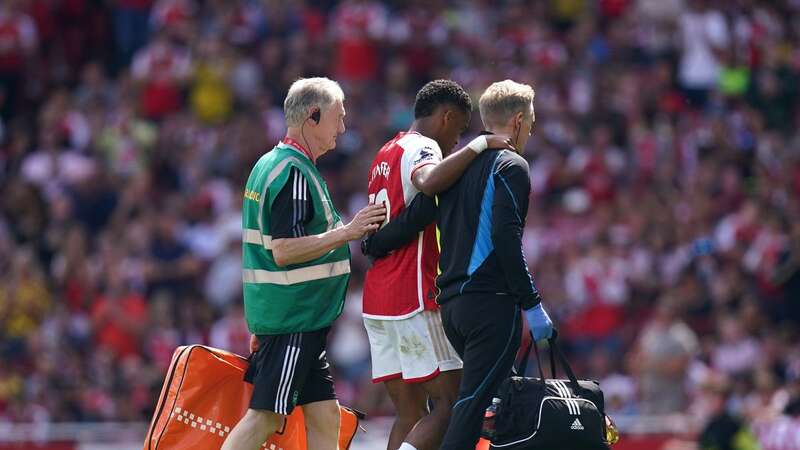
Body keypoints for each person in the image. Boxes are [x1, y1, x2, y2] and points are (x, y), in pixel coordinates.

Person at [221, 77, 386, 450]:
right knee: (265, 417)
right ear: (313, 117)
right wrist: (348, 232)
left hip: (294, 318)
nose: (342, 128)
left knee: (325, 416)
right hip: (293, 317)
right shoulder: (293, 170)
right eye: (337, 117)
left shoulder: (271, 164)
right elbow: (283, 250)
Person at [361, 79, 515, 450]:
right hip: (411, 293)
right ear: (446, 117)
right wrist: (480, 145)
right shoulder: (423, 146)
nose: (457, 143)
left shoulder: (386, 151)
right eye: (460, 130)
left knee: (410, 414)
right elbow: (429, 181)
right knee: (454, 401)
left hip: (378, 297)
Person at [435, 80, 553, 450]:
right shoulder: (512, 164)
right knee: (471, 408)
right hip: (489, 304)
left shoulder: (457, 166)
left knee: (487, 405)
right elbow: (505, 238)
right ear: (518, 120)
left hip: (451, 305)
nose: (532, 130)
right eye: (531, 121)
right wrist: (531, 303)